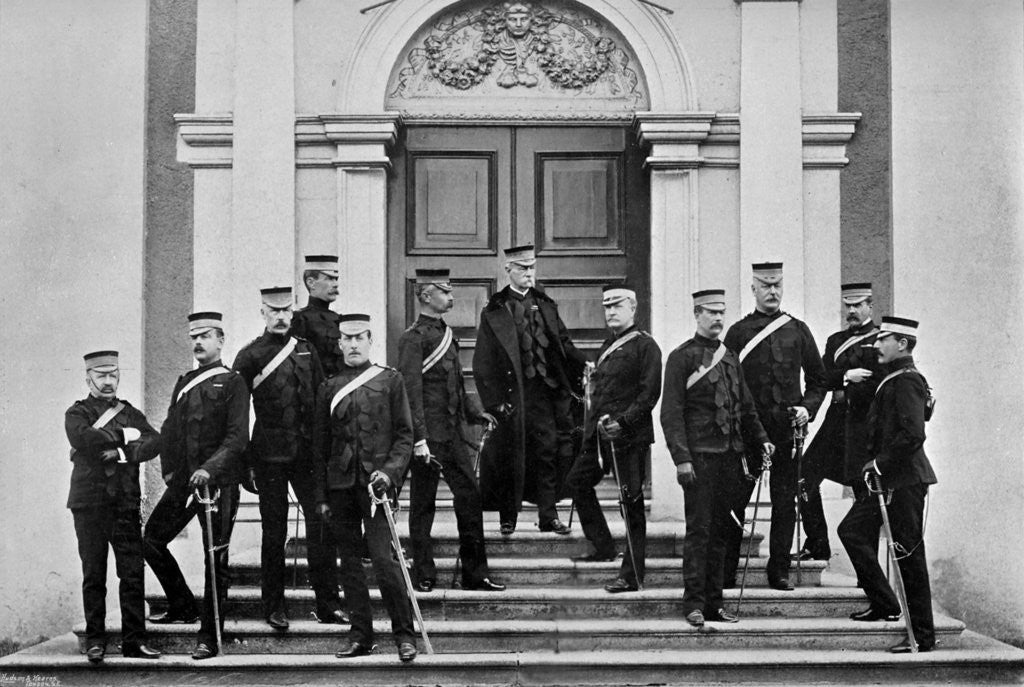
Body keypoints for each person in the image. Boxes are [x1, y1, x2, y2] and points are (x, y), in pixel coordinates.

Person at [232, 286, 346, 629]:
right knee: (274, 531)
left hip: (308, 456)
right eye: (273, 311)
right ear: (263, 313)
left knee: (321, 528)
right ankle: (274, 607)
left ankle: (328, 605)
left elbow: (322, 401)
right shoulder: (250, 356)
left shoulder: (306, 349)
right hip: (269, 456)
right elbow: (237, 414)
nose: (281, 317)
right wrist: (246, 463)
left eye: (285, 311)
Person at [661, 290, 772, 626]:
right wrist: (682, 458)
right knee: (700, 532)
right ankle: (693, 603)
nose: (719, 319)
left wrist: (763, 439)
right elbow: (671, 414)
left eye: (722, 313)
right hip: (700, 461)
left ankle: (715, 603)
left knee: (723, 532)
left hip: (730, 459)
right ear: (697, 314)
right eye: (711, 312)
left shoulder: (730, 357)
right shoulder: (681, 358)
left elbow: (747, 407)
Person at [312, 314, 418, 663]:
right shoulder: (329, 387)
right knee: (350, 566)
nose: (353, 344)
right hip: (340, 487)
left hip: (377, 489)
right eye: (347, 338)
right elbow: (320, 446)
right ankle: (361, 636)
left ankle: (404, 634)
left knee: (385, 562)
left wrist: (389, 474)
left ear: (370, 339)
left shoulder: (390, 381)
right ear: (339, 343)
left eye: (359, 337)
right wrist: (321, 497)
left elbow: (405, 436)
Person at [144, 312, 249, 660]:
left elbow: (236, 439)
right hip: (186, 484)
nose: (198, 343)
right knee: (152, 540)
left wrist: (208, 469)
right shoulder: (185, 381)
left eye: (205, 336)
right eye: (194, 337)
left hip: (219, 484)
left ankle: (209, 635)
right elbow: (169, 430)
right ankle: (182, 604)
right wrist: (170, 472)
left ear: (221, 340)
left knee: (214, 556)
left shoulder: (233, 383)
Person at [397, 269, 505, 593]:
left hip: (452, 436)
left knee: (470, 497)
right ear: (427, 296)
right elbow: (410, 393)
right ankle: (424, 574)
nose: (452, 296)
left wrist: (477, 415)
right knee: (423, 506)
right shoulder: (412, 339)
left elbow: (456, 386)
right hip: (427, 441)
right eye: (445, 291)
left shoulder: (447, 334)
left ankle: (475, 574)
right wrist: (418, 440)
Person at [722, 263, 827, 591]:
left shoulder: (798, 330)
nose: (772, 291)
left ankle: (778, 569)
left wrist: (807, 410)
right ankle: (726, 570)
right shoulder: (738, 333)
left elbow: (818, 379)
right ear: (753, 289)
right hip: (749, 434)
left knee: (785, 502)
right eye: (765, 286)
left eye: (777, 286)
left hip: (786, 432)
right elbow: (726, 382)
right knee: (735, 500)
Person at [472, 245, 588, 535]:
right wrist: (494, 402)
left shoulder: (545, 304)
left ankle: (548, 516)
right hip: (511, 398)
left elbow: (564, 344)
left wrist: (584, 367)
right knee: (509, 457)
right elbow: (483, 362)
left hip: (545, 395)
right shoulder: (494, 310)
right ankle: (507, 518)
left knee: (548, 453)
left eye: (531, 268)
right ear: (508, 270)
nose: (528, 273)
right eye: (522, 268)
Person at [839, 316, 937, 653]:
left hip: (905, 482)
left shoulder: (907, 381)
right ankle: (884, 602)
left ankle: (923, 637)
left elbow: (913, 434)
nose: (876, 344)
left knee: (908, 554)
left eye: (884, 339)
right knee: (851, 530)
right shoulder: (895, 378)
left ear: (903, 344)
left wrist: (879, 462)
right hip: (888, 482)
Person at [65, 350, 162, 663]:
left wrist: (122, 453)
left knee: (132, 574)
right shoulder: (76, 413)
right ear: (88, 377)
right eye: (101, 375)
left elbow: (153, 441)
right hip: (89, 503)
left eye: (113, 375)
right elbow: (83, 438)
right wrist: (124, 435)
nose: (108, 382)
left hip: (124, 501)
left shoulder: (131, 411)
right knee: (94, 573)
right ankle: (96, 640)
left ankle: (135, 641)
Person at [565, 285, 662, 593]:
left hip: (628, 439)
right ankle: (603, 546)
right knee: (577, 482)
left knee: (630, 504)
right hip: (600, 438)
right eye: (607, 307)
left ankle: (632, 574)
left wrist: (623, 423)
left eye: (617, 306)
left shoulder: (646, 346)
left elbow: (649, 395)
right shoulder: (609, 345)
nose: (611, 312)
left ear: (633, 308)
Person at [799, 283, 883, 561]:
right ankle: (817, 544)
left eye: (858, 305)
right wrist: (846, 376)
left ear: (870, 306)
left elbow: (876, 383)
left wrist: (844, 380)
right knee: (803, 478)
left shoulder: (882, 339)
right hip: (834, 427)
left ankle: (867, 572)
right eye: (848, 305)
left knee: (865, 494)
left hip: (862, 428)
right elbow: (822, 377)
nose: (852, 311)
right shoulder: (835, 341)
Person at [290, 255, 343, 377]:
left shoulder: (339, 319)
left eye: (336, 279)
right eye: (329, 279)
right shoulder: (300, 320)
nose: (335, 284)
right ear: (311, 283)